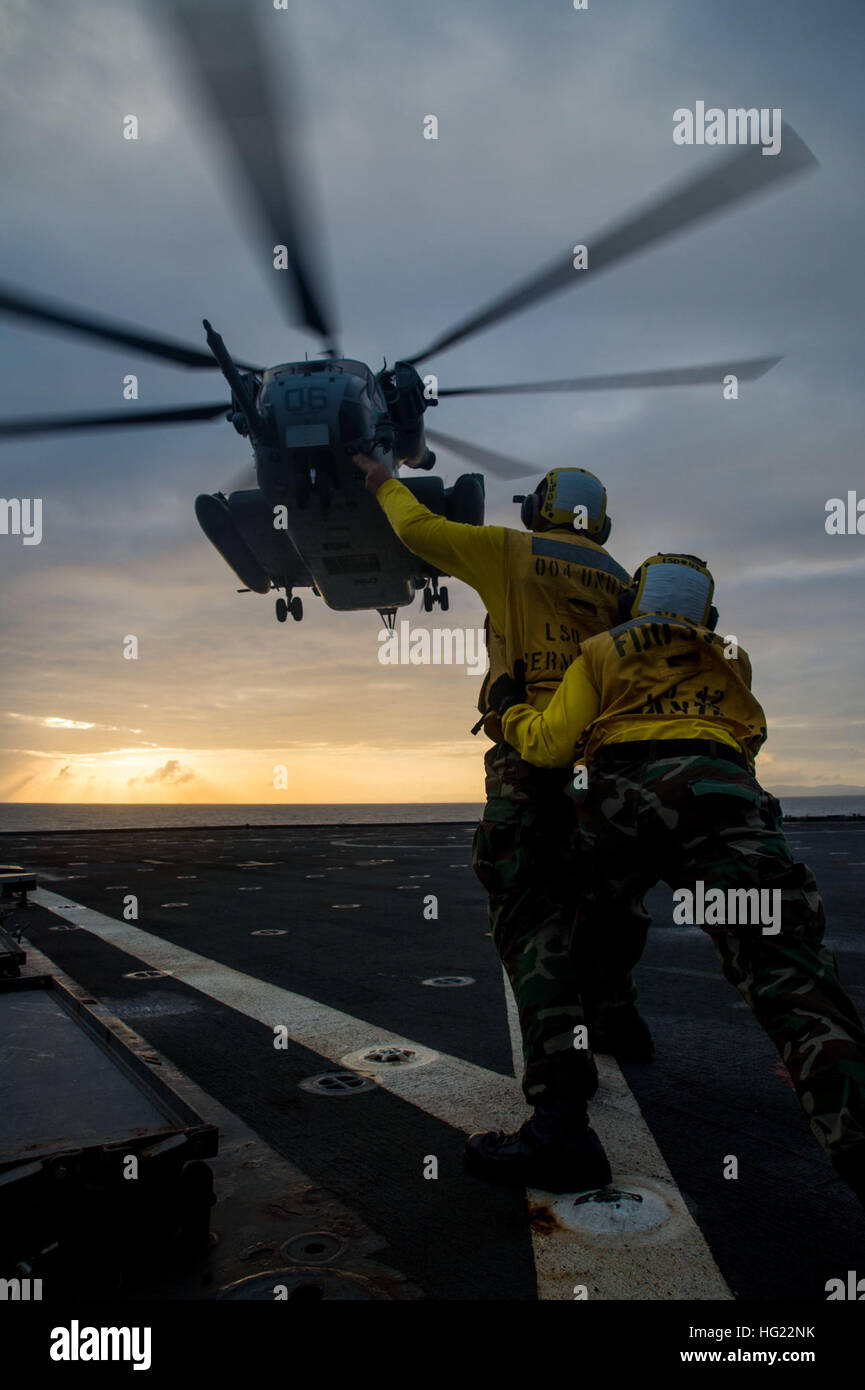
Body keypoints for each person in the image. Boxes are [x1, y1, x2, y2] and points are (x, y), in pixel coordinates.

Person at [486, 552, 865, 1199]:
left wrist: (507, 710)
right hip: (722, 797)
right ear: (707, 615)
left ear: (634, 601)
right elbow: (751, 733)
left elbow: (550, 744)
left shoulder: (603, 647)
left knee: (561, 911)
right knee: (789, 979)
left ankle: (563, 1109)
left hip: (619, 798)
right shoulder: (728, 655)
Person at [353, 452, 651, 1188]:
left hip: (531, 752)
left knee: (528, 910)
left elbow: (418, 529)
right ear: (599, 520)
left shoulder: (511, 549)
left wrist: (380, 479)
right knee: (603, 888)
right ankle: (614, 1015)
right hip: (611, 760)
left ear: (535, 511)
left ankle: (561, 1125)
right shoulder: (620, 577)